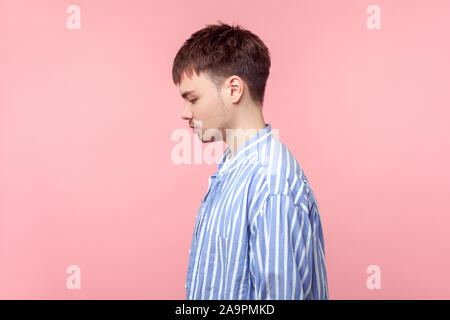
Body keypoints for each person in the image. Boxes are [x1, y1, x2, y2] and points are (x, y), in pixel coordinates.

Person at [172, 21, 329, 300]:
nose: (185, 113)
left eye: (193, 99)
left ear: (234, 90)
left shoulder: (269, 183)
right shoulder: (235, 171)